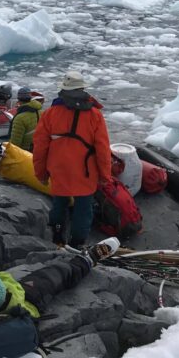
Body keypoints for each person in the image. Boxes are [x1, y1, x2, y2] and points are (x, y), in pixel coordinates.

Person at [33, 70, 112, 249]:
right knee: (83, 209)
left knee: (59, 204)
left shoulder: (50, 114)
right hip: (85, 171)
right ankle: (77, 244)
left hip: (58, 168)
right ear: (83, 89)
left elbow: (40, 148)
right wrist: (105, 175)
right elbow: (102, 149)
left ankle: (58, 238)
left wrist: (41, 173)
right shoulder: (95, 115)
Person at [7, 87, 42, 151]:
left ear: (19, 100)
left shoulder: (19, 118)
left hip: (25, 151)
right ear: (30, 98)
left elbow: (15, 143)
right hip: (38, 147)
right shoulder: (41, 111)